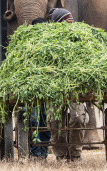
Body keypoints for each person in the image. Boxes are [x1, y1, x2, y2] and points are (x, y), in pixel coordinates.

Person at [48, 8, 88, 162]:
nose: (70, 27)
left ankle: (76, 153)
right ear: (57, 24)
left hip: (76, 88)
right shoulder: (47, 42)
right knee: (54, 120)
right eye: (66, 23)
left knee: (78, 118)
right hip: (55, 89)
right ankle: (61, 154)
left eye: (71, 23)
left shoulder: (80, 41)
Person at [29, 17, 51, 159]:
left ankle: (44, 152)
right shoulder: (27, 45)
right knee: (34, 120)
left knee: (45, 122)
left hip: (48, 91)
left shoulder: (52, 45)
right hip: (31, 91)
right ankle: (36, 152)